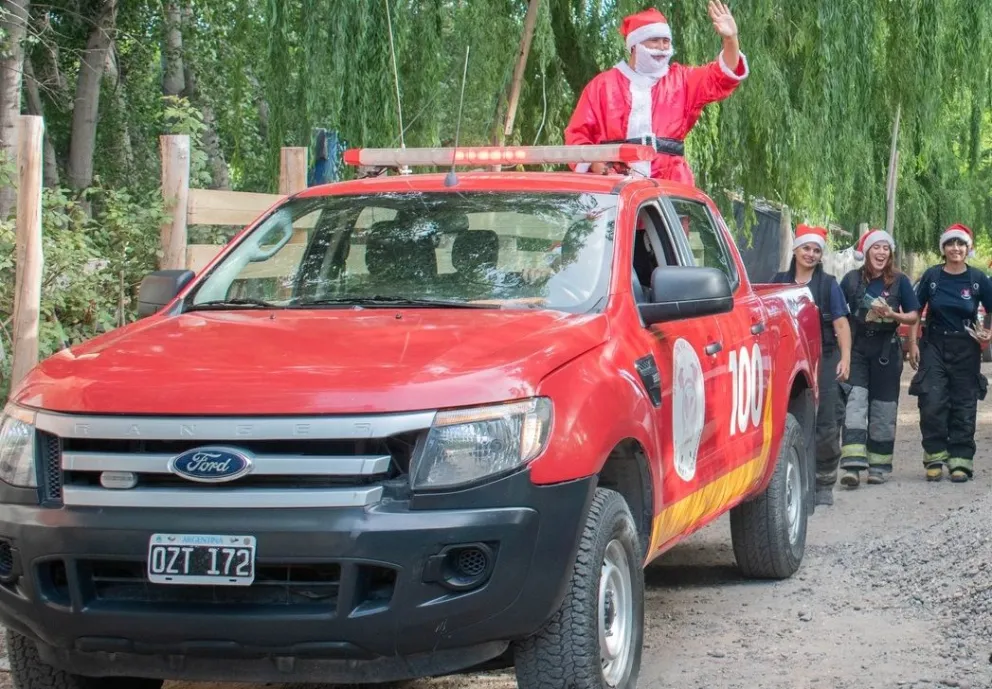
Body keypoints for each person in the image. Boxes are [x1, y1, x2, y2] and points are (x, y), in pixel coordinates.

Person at [563, 2, 749, 184]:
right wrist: (594, 164)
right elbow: (577, 135)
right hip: (613, 186)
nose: (661, 47)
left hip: (670, 186)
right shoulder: (603, 85)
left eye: (666, 41)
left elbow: (720, 77)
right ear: (634, 45)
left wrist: (730, 39)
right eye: (654, 40)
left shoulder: (682, 80)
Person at [770, 224, 852, 505]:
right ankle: (792, 483)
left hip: (824, 357)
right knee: (788, 421)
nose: (811, 254)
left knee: (827, 422)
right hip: (789, 362)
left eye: (816, 250)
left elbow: (841, 324)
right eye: (806, 248)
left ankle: (824, 482)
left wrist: (845, 358)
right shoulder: (778, 281)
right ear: (795, 249)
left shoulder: (828, 284)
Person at [908, 224, 992, 483]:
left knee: (964, 403)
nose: (956, 248)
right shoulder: (932, 277)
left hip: (966, 347)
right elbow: (914, 311)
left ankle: (960, 460)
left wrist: (988, 333)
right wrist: (912, 343)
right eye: (951, 243)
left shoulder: (978, 279)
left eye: (961, 244)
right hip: (934, 345)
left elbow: (990, 310)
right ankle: (934, 456)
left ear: (968, 248)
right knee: (932, 400)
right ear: (943, 248)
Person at [838, 228, 920, 487]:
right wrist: (843, 355)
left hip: (887, 351)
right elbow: (839, 316)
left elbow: (914, 315)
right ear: (866, 251)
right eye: (877, 247)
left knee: (883, 409)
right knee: (855, 403)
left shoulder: (900, 281)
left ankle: (879, 466)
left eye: (886, 248)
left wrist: (893, 315)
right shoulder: (850, 280)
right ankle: (852, 465)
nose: (882, 252)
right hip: (858, 349)